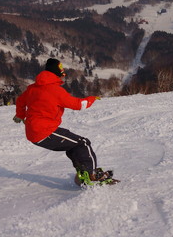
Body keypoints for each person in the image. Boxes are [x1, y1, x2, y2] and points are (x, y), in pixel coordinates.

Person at [13, 58, 112, 186]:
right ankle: (91, 176)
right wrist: (92, 99)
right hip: (45, 132)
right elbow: (78, 105)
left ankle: (83, 172)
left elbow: (20, 101)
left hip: (35, 132)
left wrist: (20, 115)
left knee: (73, 144)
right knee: (83, 143)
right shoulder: (55, 90)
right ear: (57, 73)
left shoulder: (33, 88)